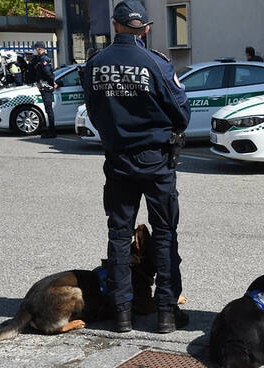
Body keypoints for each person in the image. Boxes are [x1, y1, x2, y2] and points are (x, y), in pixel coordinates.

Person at [83, 0, 191, 333]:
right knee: (163, 234)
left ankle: (122, 314)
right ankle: (166, 314)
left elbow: (93, 110)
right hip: (157, 160)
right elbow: (181, 113)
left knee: (119, 236)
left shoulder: (94, 64)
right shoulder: (155, 63)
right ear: (144, 29)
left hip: (118, 160)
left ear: (114, 26)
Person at [32, 42, 57, 138]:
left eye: (35, 49)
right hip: (44, 87)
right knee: (48, 109)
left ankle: (52, 131)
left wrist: (52, 82)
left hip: (46, 87)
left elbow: (48, 73)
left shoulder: (43, 59)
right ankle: (50, 129)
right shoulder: (40, 59)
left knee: (49, 109)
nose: (34, 51)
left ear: (39, 49)